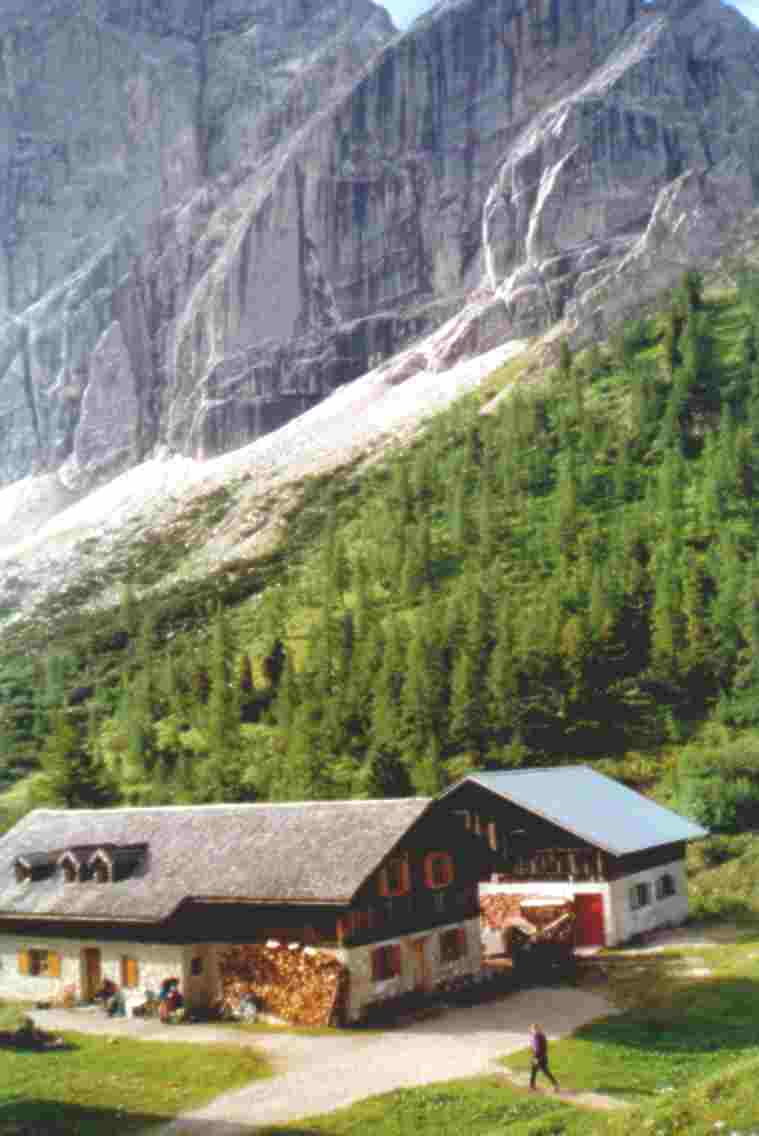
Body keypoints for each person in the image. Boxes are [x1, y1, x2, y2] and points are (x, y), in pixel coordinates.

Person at [529, 1023, 560, 1092]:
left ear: (538, 1029)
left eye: (534, 1029)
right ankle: (532, 1086)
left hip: (540, 1058)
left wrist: (536, 1058)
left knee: (545, 1072)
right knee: (534, 1071)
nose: (533, 1030)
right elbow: (534, 1047)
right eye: (532, 1029)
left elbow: (539, 1048)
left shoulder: (538, 1036)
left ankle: (556, 1085)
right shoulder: (536, 1036)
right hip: (538, 1057)